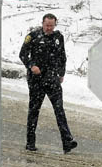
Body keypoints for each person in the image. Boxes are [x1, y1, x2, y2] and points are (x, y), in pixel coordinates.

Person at [19, 13, 78, 153]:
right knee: (34, 111)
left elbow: (62, 56)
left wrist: (61, 73)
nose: (49, 28)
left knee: (59, 110)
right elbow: (22, 54)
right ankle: (30, 142)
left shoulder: (58, 37)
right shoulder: (33, 36)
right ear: (42, 24)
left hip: (52, 79)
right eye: (47, 25)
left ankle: (67, 141)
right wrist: (31, 65)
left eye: (51, 25)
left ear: (55, 24)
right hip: (37, 80)